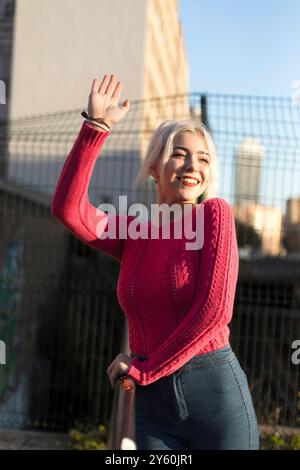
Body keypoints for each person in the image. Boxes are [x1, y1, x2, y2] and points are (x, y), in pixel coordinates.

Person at [51, 74, 260, 450]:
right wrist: (95, 129)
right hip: (153, 403)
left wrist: (146, 369)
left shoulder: (215, 216)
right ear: (155, 167)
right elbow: (69, 210)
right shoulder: (137, 233)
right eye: (179, 154)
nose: (191, 165)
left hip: (213, 393)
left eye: (203, 158)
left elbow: (214, 312)